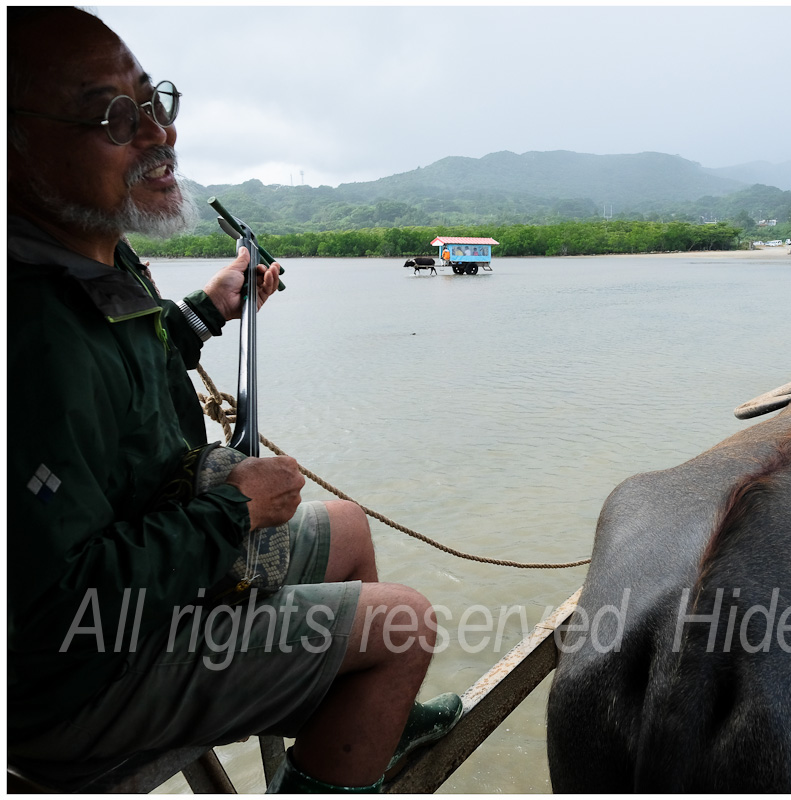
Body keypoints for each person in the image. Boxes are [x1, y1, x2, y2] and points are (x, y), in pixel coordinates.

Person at [7, 7, 460, 792]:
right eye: (115, 115)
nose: (158, 134)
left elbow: (127, 386)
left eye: (156, 102)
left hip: (155, 578)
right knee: (405, 622)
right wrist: (232, 510)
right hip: (82, 673)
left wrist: (212, 306)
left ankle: (362, 728)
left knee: (347, 529)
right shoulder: (30, 330)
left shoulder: (93, 257)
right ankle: (350, 722)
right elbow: (52, 612)